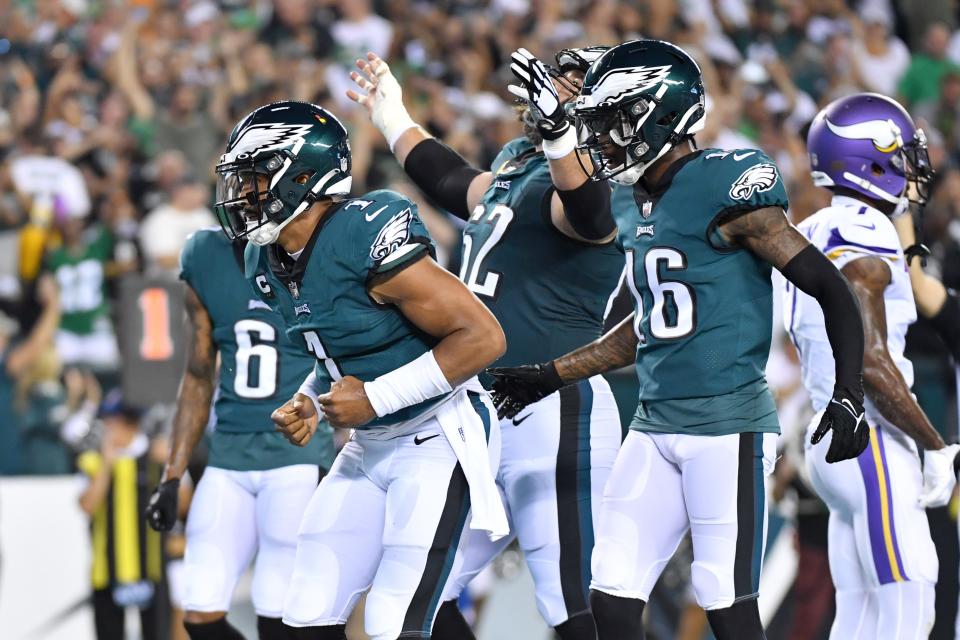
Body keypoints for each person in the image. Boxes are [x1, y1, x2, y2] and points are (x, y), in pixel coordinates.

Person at [488, 39, 868, 640]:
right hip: (654, 424)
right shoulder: (638, 197)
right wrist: (547, 375)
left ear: (656, 114)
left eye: (614, 123)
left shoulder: (727, 184)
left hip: (727, 429)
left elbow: (829, 285)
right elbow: (649, 325)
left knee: (728, 606)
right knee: (610, 602)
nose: (604, 140)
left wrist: (849, 391)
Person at [346, 46, 623, 640]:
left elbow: (590, 213)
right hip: (478, 410)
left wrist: (559, 137)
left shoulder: (608, 173)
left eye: (572, 87)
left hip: (554, 404)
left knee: (574, 601)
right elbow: (452, 182)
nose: (553, 92)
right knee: (418, 589)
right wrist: (393, 115)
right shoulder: (521, 167)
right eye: (555, 84)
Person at [214, 100, 507, 640]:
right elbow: (335, 352)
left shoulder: (361, 232)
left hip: (439, 434)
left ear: (302, 177)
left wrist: (373, 398)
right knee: (304, 616)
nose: (243, 196)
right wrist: (310, 396)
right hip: (370, 446)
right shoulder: (267, 259)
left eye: (255, 179)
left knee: (396, 622)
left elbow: (482, 337)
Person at [791, 92, 959, 638]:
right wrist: (933, 443)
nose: (913, 168)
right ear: (871, 158)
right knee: (909, 600)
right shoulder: (864, 231)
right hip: (869, 436)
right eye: (903, 154)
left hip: (830, 433)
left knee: (860, 612)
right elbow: (866, 356)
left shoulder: (817, 225)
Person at [143, 224, 335, 640]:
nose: (244, 197)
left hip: (293, 454)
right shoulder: (204, 253)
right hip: (228, 452)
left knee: (276, 610)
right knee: (198, 612)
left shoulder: (320, 247)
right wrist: (172, 475)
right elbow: (197, 373)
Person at [78, 391, 168, 640]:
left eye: (111, 421)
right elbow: (86, 505)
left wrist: (171, 465)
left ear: (130, 423)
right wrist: (106, 465)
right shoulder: (93, 460)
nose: (106, 427)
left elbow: (184, 503)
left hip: (151, 569)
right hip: (107, 571)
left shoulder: (156, 457)